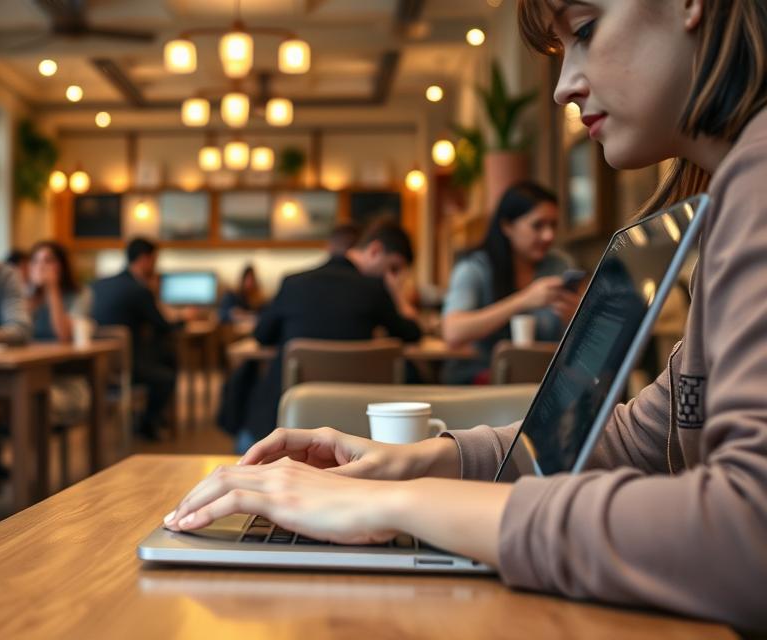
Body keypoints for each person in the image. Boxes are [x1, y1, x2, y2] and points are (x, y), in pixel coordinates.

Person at [163, 0, 767, 629]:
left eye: (585, 30)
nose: (564, 86)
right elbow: (644, 439)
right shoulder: (737, 190)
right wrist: (420, 462)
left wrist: (409, 506)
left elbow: (750, 536)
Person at [226, 219, 423, 452]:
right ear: (375, 251)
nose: (394, 277)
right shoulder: (373, 289)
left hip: (285, 419)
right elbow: (412, 333)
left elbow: (261, 336)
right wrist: (395, 293)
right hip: (358, 426)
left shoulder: (293, 283)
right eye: (393, 268)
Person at [441, 181, 580, 384]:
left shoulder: (559, 265)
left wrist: (575, 316)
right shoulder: (475, 268)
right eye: (537, 225)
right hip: (480, 382)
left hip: (542, 381)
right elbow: (453, 332)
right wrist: (523, 300)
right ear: (507, 226)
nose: (548, 235)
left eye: (553, 225)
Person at [90, 237, 179, 441]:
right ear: (145, 259)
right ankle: (147, 424)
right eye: (155, 260)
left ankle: (144, 417)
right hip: (127, 364)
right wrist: (181, 317)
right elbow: (163, 325)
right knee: (167, 372)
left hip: (98, 364)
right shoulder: (139, 290)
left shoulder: (98, 285)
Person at [27, 240, 91, 425]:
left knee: (26, 402)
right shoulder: (24, 296)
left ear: (62, 265)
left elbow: (63, 335)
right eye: (36, 261)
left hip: (66, 382)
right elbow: (18, 332)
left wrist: (52, 289)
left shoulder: (80, 294)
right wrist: (33, 294)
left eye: (48, 261)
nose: (42, 267)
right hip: (30, 377)